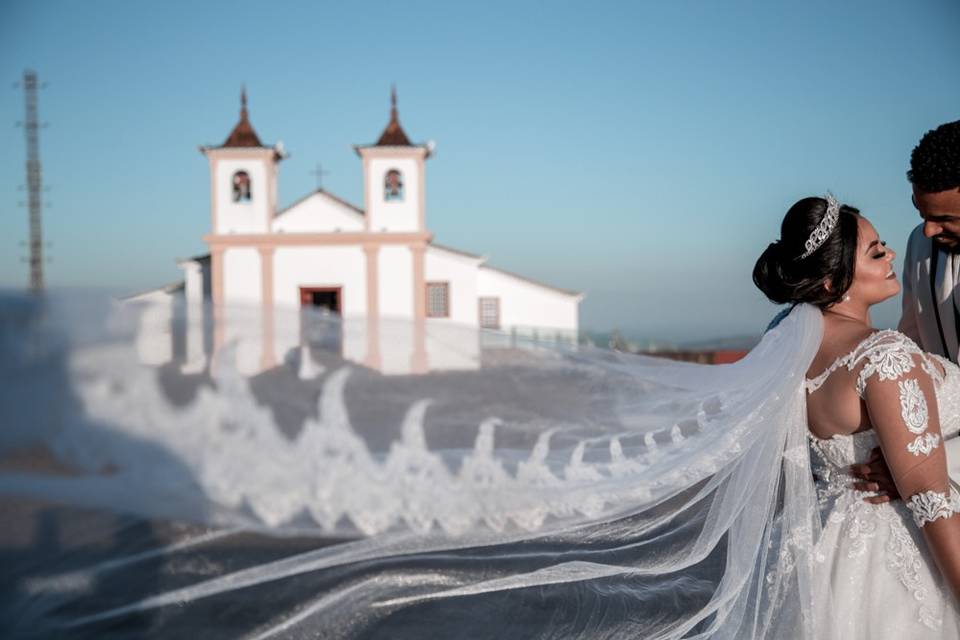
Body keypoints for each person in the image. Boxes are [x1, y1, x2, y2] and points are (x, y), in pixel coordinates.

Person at [754, 194, 960, 637]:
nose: (891, 254)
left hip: (818, 548)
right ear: (831, 283)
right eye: (875, 251)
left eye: (883, 244)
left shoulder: (785, 343)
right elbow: (930, 501)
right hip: (897, 558)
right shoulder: (884, 355)